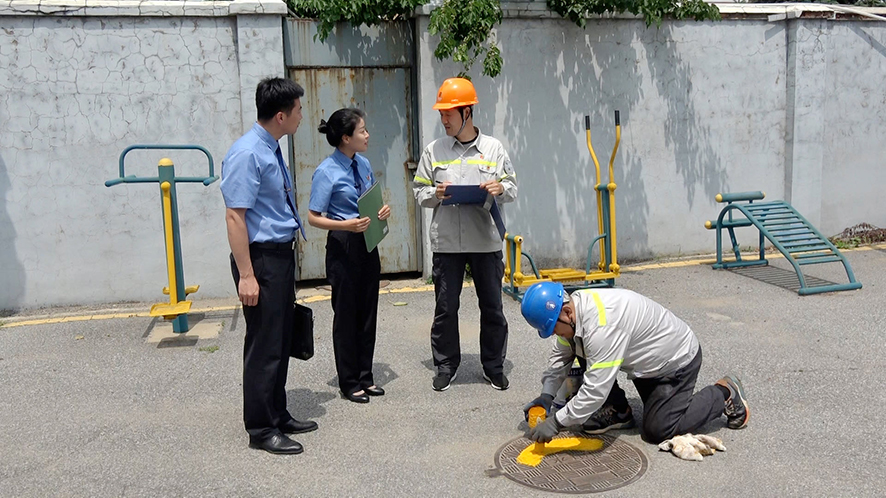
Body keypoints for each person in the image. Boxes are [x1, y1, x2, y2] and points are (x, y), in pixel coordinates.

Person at [520, 282, 750, 444]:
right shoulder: (574, 311)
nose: (552, 335)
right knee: (576, 346)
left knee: (658, 430)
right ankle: (619, 411)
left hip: (674, 364)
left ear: (567, 312)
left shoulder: (602, 325)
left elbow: (595, 390)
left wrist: (557, 423)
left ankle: (724, 393)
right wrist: (546, 395)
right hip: (645, 363)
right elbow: (561, 357)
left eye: (552, 329)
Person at [220, 77, 317, 455]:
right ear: (280, 115)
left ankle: (277, 412)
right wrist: (247, 274)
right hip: (260, 259)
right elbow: (234, 216)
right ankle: (260, 428)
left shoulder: (269, 148)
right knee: (264, 344)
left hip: (278, 255)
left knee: (279, 338)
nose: (301, 116)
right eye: (297, 110)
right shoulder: (248, 153)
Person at [412, 77, 518, 392]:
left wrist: (500, 188)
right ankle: (445, 365)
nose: (444, 120)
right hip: (447, 242)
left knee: (492, 306)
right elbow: (419, 191)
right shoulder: (434, 150)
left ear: (467, 113)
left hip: (485, 241)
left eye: (449, 114)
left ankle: (493, 367)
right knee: (446, 307)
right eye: (441, 114)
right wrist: (436, 193)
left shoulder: (493, 149)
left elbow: (511, 187)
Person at [308, 108, 391, 404]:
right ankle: (349, 381)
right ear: (345, 138)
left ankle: (366, 376)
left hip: (368, 240)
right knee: (346, 314)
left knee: (368, 311)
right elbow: (313, 217)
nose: (367, 135)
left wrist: (382, 210)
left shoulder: (364, 163)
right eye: (362, 131)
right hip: (343, 242)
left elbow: (369, 197)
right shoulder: (326, 171)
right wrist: (345, 225)